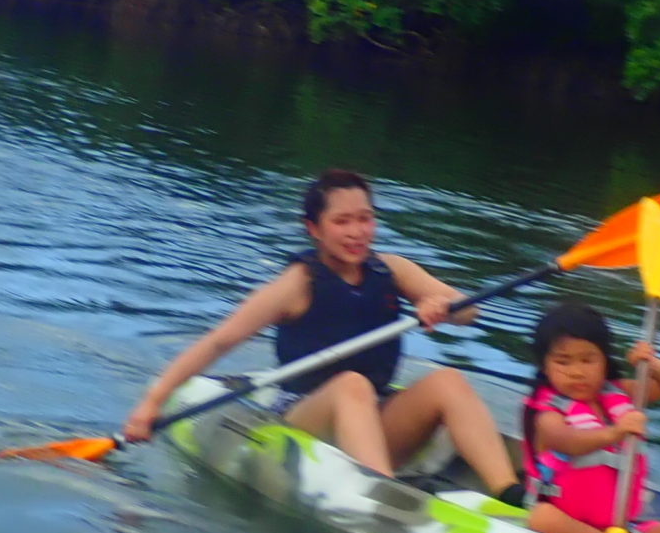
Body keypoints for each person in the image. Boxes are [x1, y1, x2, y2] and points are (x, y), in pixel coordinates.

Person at [121, 167, 520, 494]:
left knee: (448, 381)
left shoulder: (391, 269)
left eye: (365, 219)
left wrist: (441, 307)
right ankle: (384, 497)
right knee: (352, 384)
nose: (357, 232)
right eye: (341, 221)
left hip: (373, 418)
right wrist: (152, 401)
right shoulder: (295, 285)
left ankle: (509, 492)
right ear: (314, 228)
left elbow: (469, 313)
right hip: (304, 420)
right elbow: (219, 341)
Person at [518, 301, 660, 533]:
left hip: (621, 529)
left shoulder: (617, 393)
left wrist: (652, 363)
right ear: (544, 366)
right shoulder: (548, 413)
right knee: (542, 517)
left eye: (587, 360)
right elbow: (567, 442)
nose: (577, 371)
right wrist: (615, 433)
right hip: (570, 527)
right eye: (562, 361)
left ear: (604, 362)